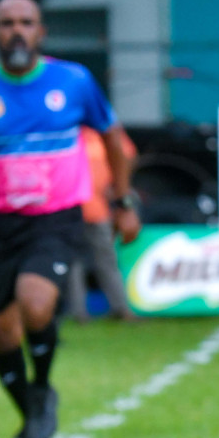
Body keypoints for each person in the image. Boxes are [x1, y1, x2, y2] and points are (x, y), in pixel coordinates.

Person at [0, 0, 141, 438]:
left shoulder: (73, 81)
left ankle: (44, 385)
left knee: (35, 303)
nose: (17, 31)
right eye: (7, 23)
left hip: (55, 218)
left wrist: (123, 200)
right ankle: (31, 410)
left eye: (26, 23)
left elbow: (112, 137)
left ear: (41, 32)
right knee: (1, 331)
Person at [66, 127, 137, 322]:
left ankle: (121, 310)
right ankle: (78, 313)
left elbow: (127, 155)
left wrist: (117, 187)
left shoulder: (105, 128)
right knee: (73, 263)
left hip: (98, 210)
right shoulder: (67, 127)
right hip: (70, 209)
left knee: (107, 259)